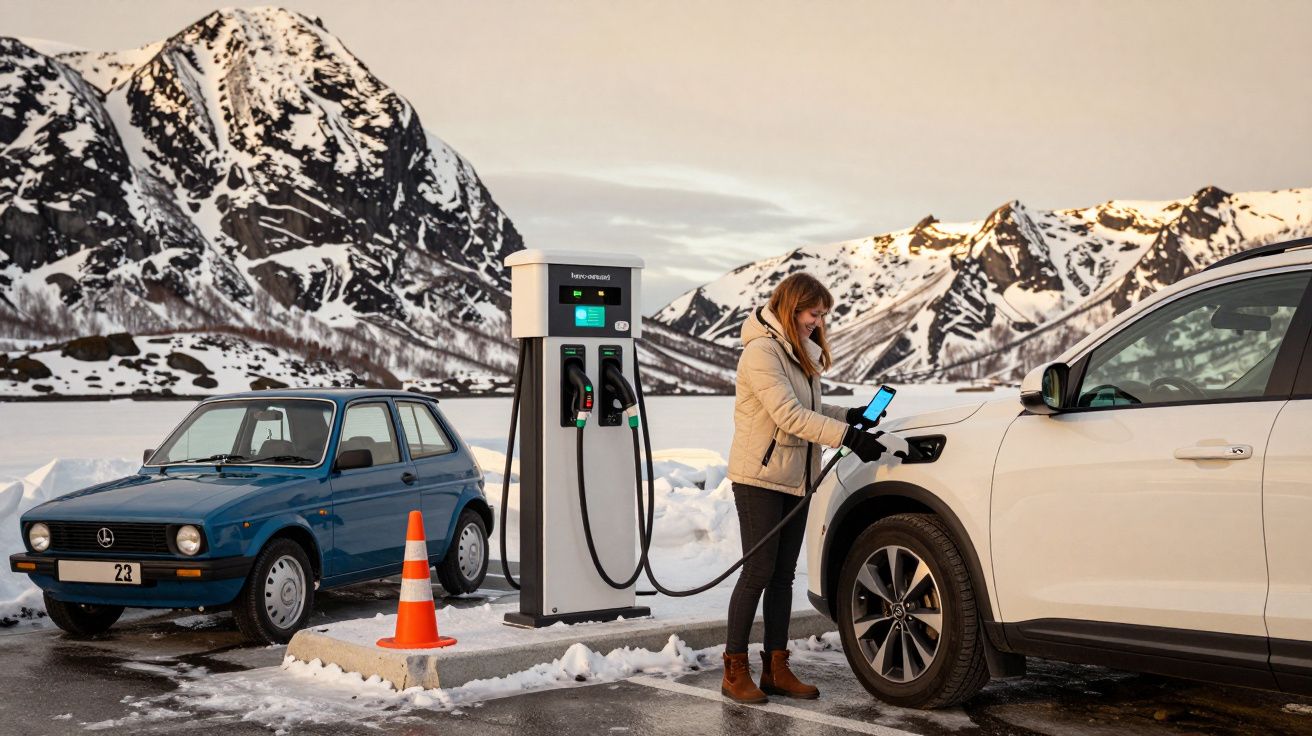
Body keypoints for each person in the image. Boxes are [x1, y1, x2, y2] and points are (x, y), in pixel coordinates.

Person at [721, 271, 888, 704]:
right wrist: (847, 438)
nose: (818, 321)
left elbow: (809, 406)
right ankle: (734, 669)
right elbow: (788, 416)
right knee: (757, 572)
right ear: (792, 308)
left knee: (780, 578)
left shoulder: (794, 351)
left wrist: (849, 415)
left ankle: (777, 668)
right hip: (759, 477)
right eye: (814, 313)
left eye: (821, 315)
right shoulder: (761, 352)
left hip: (795, 477)